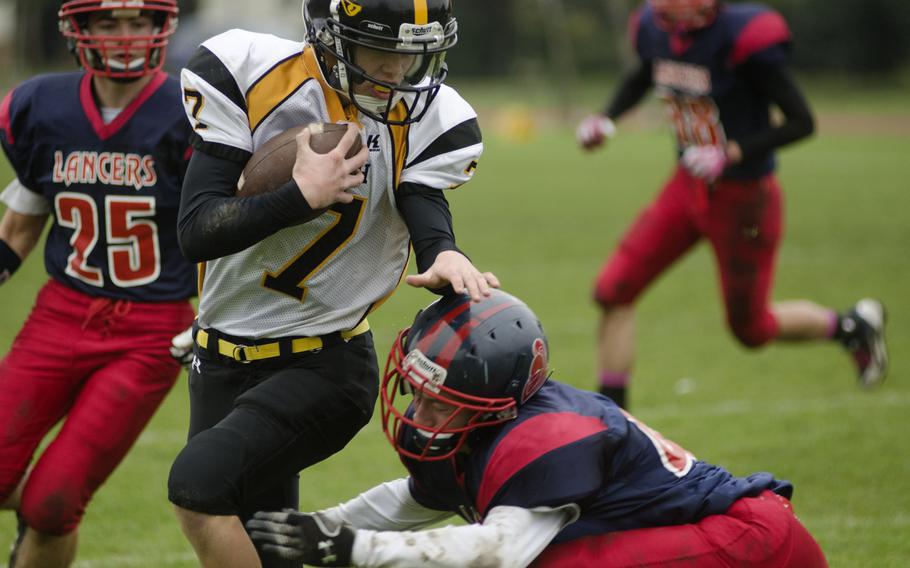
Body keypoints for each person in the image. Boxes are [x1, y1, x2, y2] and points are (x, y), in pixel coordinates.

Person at [165, 1, 498, 566]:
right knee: (263, 540)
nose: (396, 72)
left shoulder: (428, 117)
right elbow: (197, 230)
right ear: (329, 35)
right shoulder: (251, 77)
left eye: (411, 53)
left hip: (325, 364)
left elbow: (423, 202)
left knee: (197, 488)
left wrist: (442, 252)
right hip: (219, 356)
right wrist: (298, 197)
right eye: (382, 49)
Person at [245, 289, 828, 568]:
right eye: (417, 394)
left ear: (494, 406)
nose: (418, 416)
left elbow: (499, 551)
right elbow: (412, 501)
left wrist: (353, 550)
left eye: (438, 401)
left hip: (756, 544)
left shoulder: (543, 439)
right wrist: (315, 528)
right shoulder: (486, 426)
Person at [575, 0, 887, 408]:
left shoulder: (744, 37)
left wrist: (733, 152)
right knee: (613, 290)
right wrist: (608, 117)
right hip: (687, 187)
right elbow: (648, 72)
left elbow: (801, 121)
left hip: (745, 200)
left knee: (750, 329)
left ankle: (851, 327)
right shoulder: (654, 27)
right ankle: (614, 426)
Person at [0, 1, 193, 567]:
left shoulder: (193, 110)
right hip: (59, 313)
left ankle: (39, 522)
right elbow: (20, 226)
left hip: (150, 329)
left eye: (138, 21)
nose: (125, 36)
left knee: (54, 503)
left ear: (162, 26)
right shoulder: (41, 107)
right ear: (78, 28)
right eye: (108, 22)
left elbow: (223, 235)